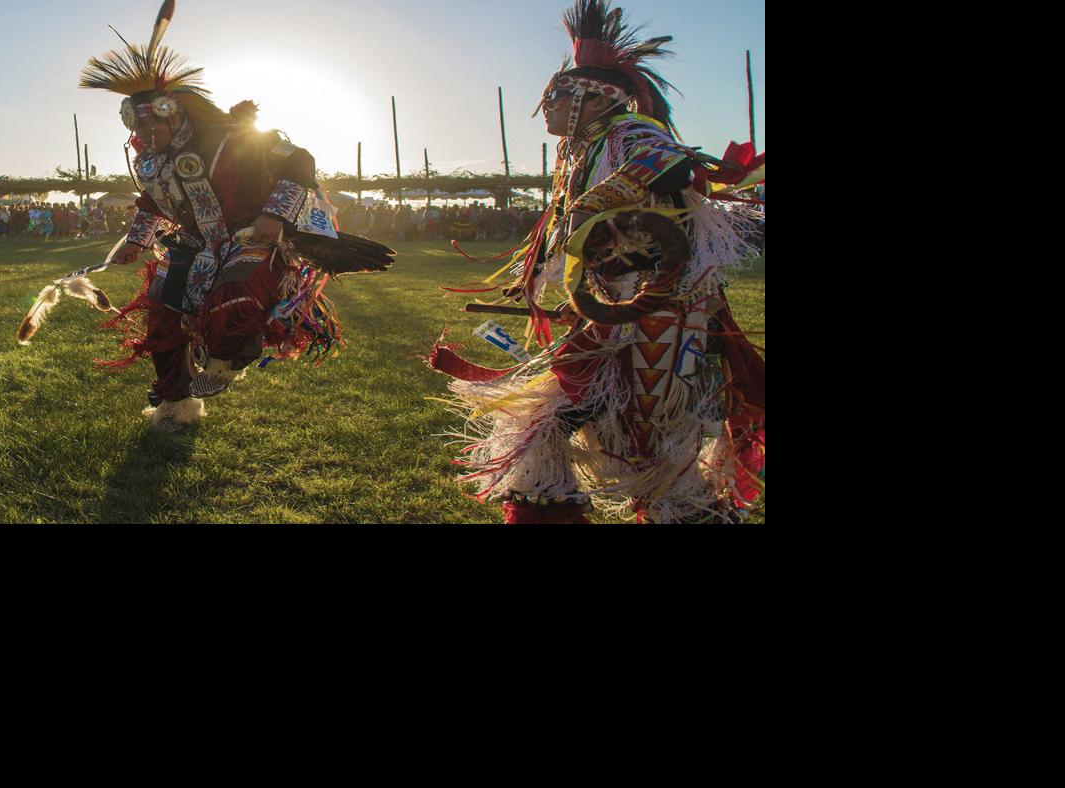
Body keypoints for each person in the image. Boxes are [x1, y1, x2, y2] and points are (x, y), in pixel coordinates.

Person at [429, 0, 766, 523]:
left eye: (556, 95)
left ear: (593, 96)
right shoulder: (587, 150)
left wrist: (595, 203)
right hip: (617, 316)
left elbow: (672, 162)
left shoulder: (628, 131)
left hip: (663, 319)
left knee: (658, 456)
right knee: (546, 427)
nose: (546, 108)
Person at [60, 0, 393, 431]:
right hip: (194, 243)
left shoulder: (230, 140)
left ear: (171, 112)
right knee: (162, 313)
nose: (141, 135)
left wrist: (274, 216)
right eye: (135, 128)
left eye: (148, 126)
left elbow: (299, 161)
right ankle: (176, 406)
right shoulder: (152, 162)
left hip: (250, 234)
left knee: (235, 301)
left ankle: (223, 363)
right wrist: (135, 241)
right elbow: (152, 204)